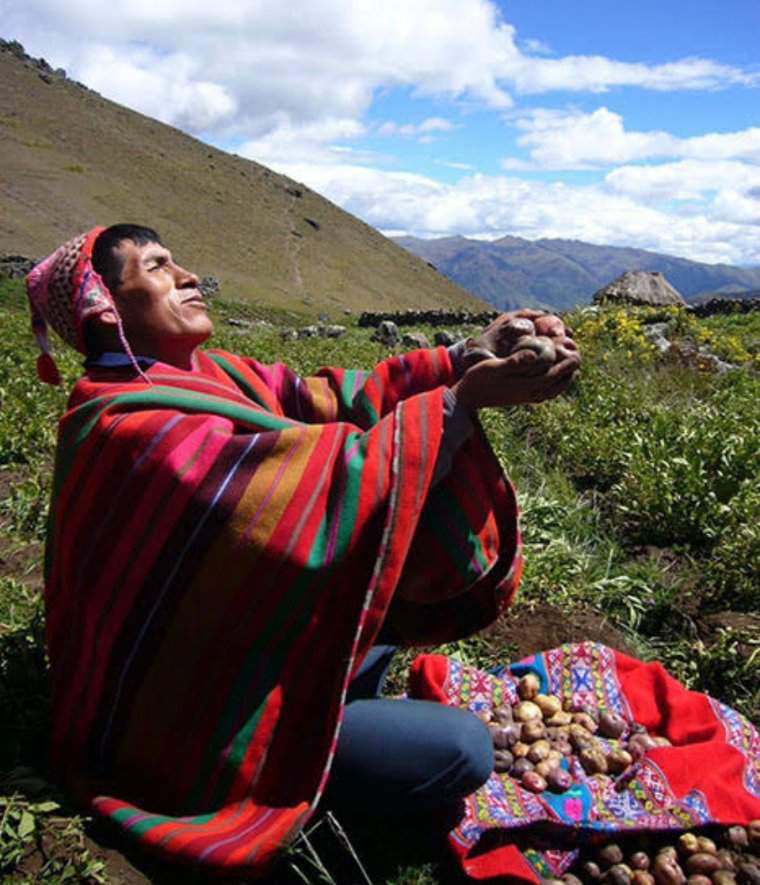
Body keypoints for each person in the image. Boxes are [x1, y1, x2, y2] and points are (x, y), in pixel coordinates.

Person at [27, 224, 580, 878]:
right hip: (189, 724)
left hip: (236, 647)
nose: (188, 275)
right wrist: (460, 405)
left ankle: (331, 719)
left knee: (378, 598)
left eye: (178, 260)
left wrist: (468, 354)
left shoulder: (211, 375)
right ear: (104, 308)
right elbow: (318, 494)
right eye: (157, 267)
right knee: (466, 751)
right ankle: (295, 781)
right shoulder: (127, 427)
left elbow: (331, 403)